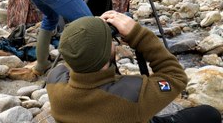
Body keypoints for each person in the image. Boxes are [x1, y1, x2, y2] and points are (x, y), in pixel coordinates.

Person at [46, 10, 222, 123]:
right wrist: (138, 35)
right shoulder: (134, 96)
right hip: (134, 115)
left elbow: (80, 56)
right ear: (108, 54)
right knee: (209, 113)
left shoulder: (55, 80)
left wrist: (91, 32)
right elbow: (175, 76)